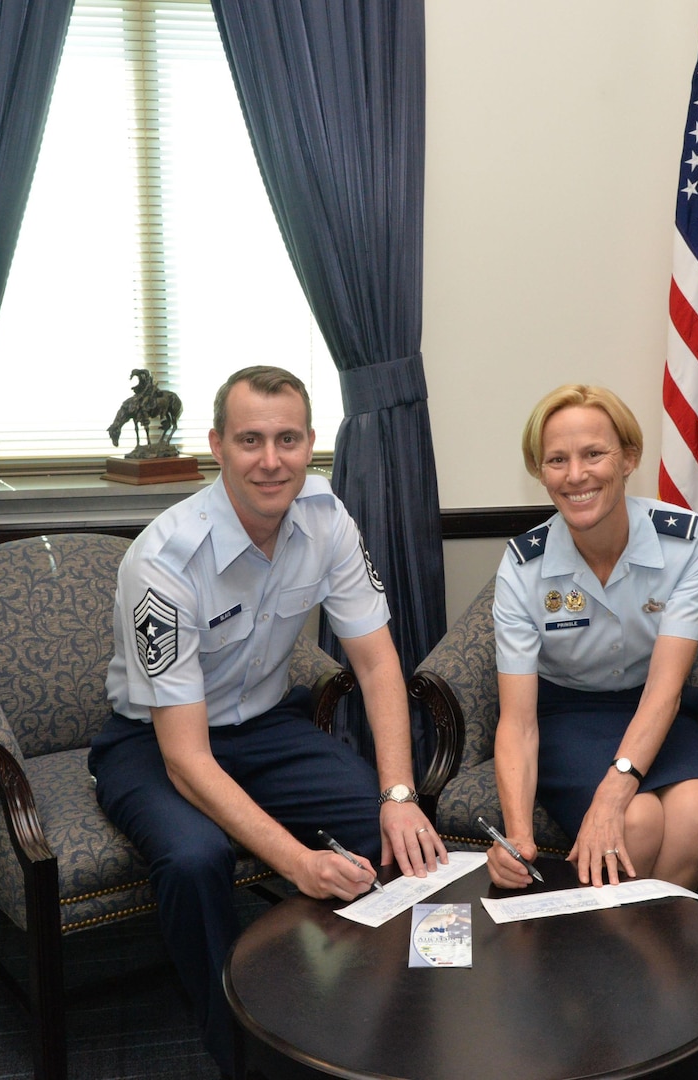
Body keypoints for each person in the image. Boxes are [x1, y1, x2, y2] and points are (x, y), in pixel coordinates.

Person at [90, 365, 445, 1072]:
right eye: (250, 440)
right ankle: (240, 1046)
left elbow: (377, 665)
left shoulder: (326, 517)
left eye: (287, 439)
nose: (271, 460)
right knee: (196, 860)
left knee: (391, 827)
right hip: (154, 741)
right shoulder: (164, 559)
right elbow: (186, 757)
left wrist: (399, 795)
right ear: (217, 444)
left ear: (311, 442)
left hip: (264, 724)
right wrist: (297, 863)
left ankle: (374, 1009)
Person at [486, 384, 698, 894]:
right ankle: (618, 963)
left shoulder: (686, 541)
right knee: (638, 824)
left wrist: (613, 790)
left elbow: (666, 687)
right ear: (539, 471)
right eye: (556, 459)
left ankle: (655, 957)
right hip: (564, 713)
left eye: (594, 453)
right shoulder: (523, 566)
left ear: (628, 458)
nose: (576, 475)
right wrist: (517, 839)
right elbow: (517, 720)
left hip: (653, 705)